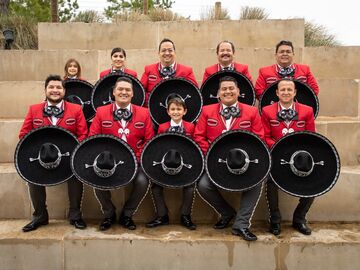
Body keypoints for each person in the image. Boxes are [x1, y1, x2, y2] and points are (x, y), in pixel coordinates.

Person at [194, 76, 265, 241]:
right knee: (203, 185)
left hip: (244, 163)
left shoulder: (252, 111)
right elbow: (199, 138)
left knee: (258, 181)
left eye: (231, 88)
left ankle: (241, 224)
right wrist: (213, 156)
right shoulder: (206, 111)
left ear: (238, 92)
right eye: (224, 89)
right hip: (215, 163)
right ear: (218, 93)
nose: (228, 91)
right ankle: (226, 212)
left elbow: (259, 139)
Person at [19, 74, 88, 232]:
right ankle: (40, 216)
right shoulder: (34, 109)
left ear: (64, 91)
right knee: (31, 176)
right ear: (45, 90)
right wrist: (40, 152)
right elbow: (24, 135)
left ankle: (75, 215)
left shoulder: (76, 109)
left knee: (76, 175)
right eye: (51, 87)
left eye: (58, 87)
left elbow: (83, 134)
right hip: (42, 157)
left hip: (68, 158)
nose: (55, 90)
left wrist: (73, 153)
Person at [89, 76, 154, 231]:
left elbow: (149, 141)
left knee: (143, 181)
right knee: (96, 181)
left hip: (136, 160)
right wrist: (105, 159)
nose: (124, 92)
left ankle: (127, 214)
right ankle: (109, 213)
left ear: (132, 94)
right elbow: (93, 138)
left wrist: (135, 158)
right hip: (108, 161)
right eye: (120, 89)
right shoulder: (101, 111)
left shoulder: (144, 113)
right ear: (113, 92)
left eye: (127, 90)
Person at [261, 78, 315, 236]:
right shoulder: (267, 111)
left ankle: (299, 218)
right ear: (277, 93)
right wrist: (281, 147)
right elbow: (265, 137)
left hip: (299, 156)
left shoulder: (307, 110)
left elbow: (311, 136)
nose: (286, 92)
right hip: (276, 155)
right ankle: (275, 219)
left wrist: (296, 151)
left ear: (295, 92)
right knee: (270, 181)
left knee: (315, 184)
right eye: (282, 90)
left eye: (289, 90)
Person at [146, 97, 197, 230]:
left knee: (190, 186)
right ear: (168, 112)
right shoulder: (162, 127)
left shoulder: (191, 126)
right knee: (156, 186)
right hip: (165, 163)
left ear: (184, 111)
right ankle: (162, 215)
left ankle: (185, 215)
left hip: (185, 164)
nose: (176, 112)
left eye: (179, 109)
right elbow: (158, 147)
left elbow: (194, 147)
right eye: (173, 109)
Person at [140, 38, 198, 106]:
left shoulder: (186, 71)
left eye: (170, 50)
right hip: (154, 110)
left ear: (175, 52)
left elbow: (194, 93)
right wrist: (154, 99)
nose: (167, 53)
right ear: (158, 53)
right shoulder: (149, 70)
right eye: (163, 50)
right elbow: (141, 93)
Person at [255, 40, 319, 99]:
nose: (285, 54)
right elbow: (258, 92)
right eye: (281, 52)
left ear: (293, 54)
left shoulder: (305, 70)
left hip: (300, 107)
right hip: (273, 108)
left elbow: (314, 90)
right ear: (276, 55)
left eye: (288, 52)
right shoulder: (264, 71)